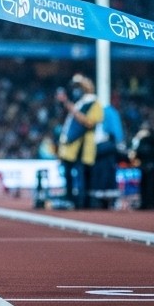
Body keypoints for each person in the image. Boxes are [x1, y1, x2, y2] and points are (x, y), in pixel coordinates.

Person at [54, 73, 103, 209]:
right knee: (69, 174)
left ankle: (83, 203)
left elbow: (90, 123)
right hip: (72, 146)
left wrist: (71, 108)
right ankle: (71, 199)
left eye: (80, 87)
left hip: (84, 145)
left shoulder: (94, 103)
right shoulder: (80, 103)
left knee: (84, 175)